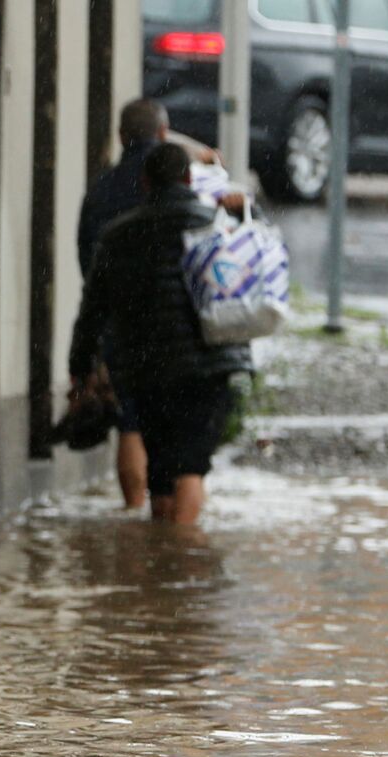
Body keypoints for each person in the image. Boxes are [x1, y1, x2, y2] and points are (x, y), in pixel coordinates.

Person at [68, 143, 252, 528]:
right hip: (208, 367)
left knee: (162, 475)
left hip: (147, 371)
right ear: (188, 178)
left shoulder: (118, 234)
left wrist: (79, 365)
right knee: (190, 469)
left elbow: (92, 310)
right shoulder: (215, 223)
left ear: (145, 182)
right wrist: (246, 211)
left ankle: (160, 565)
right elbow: (255, 261)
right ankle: (180, 568)